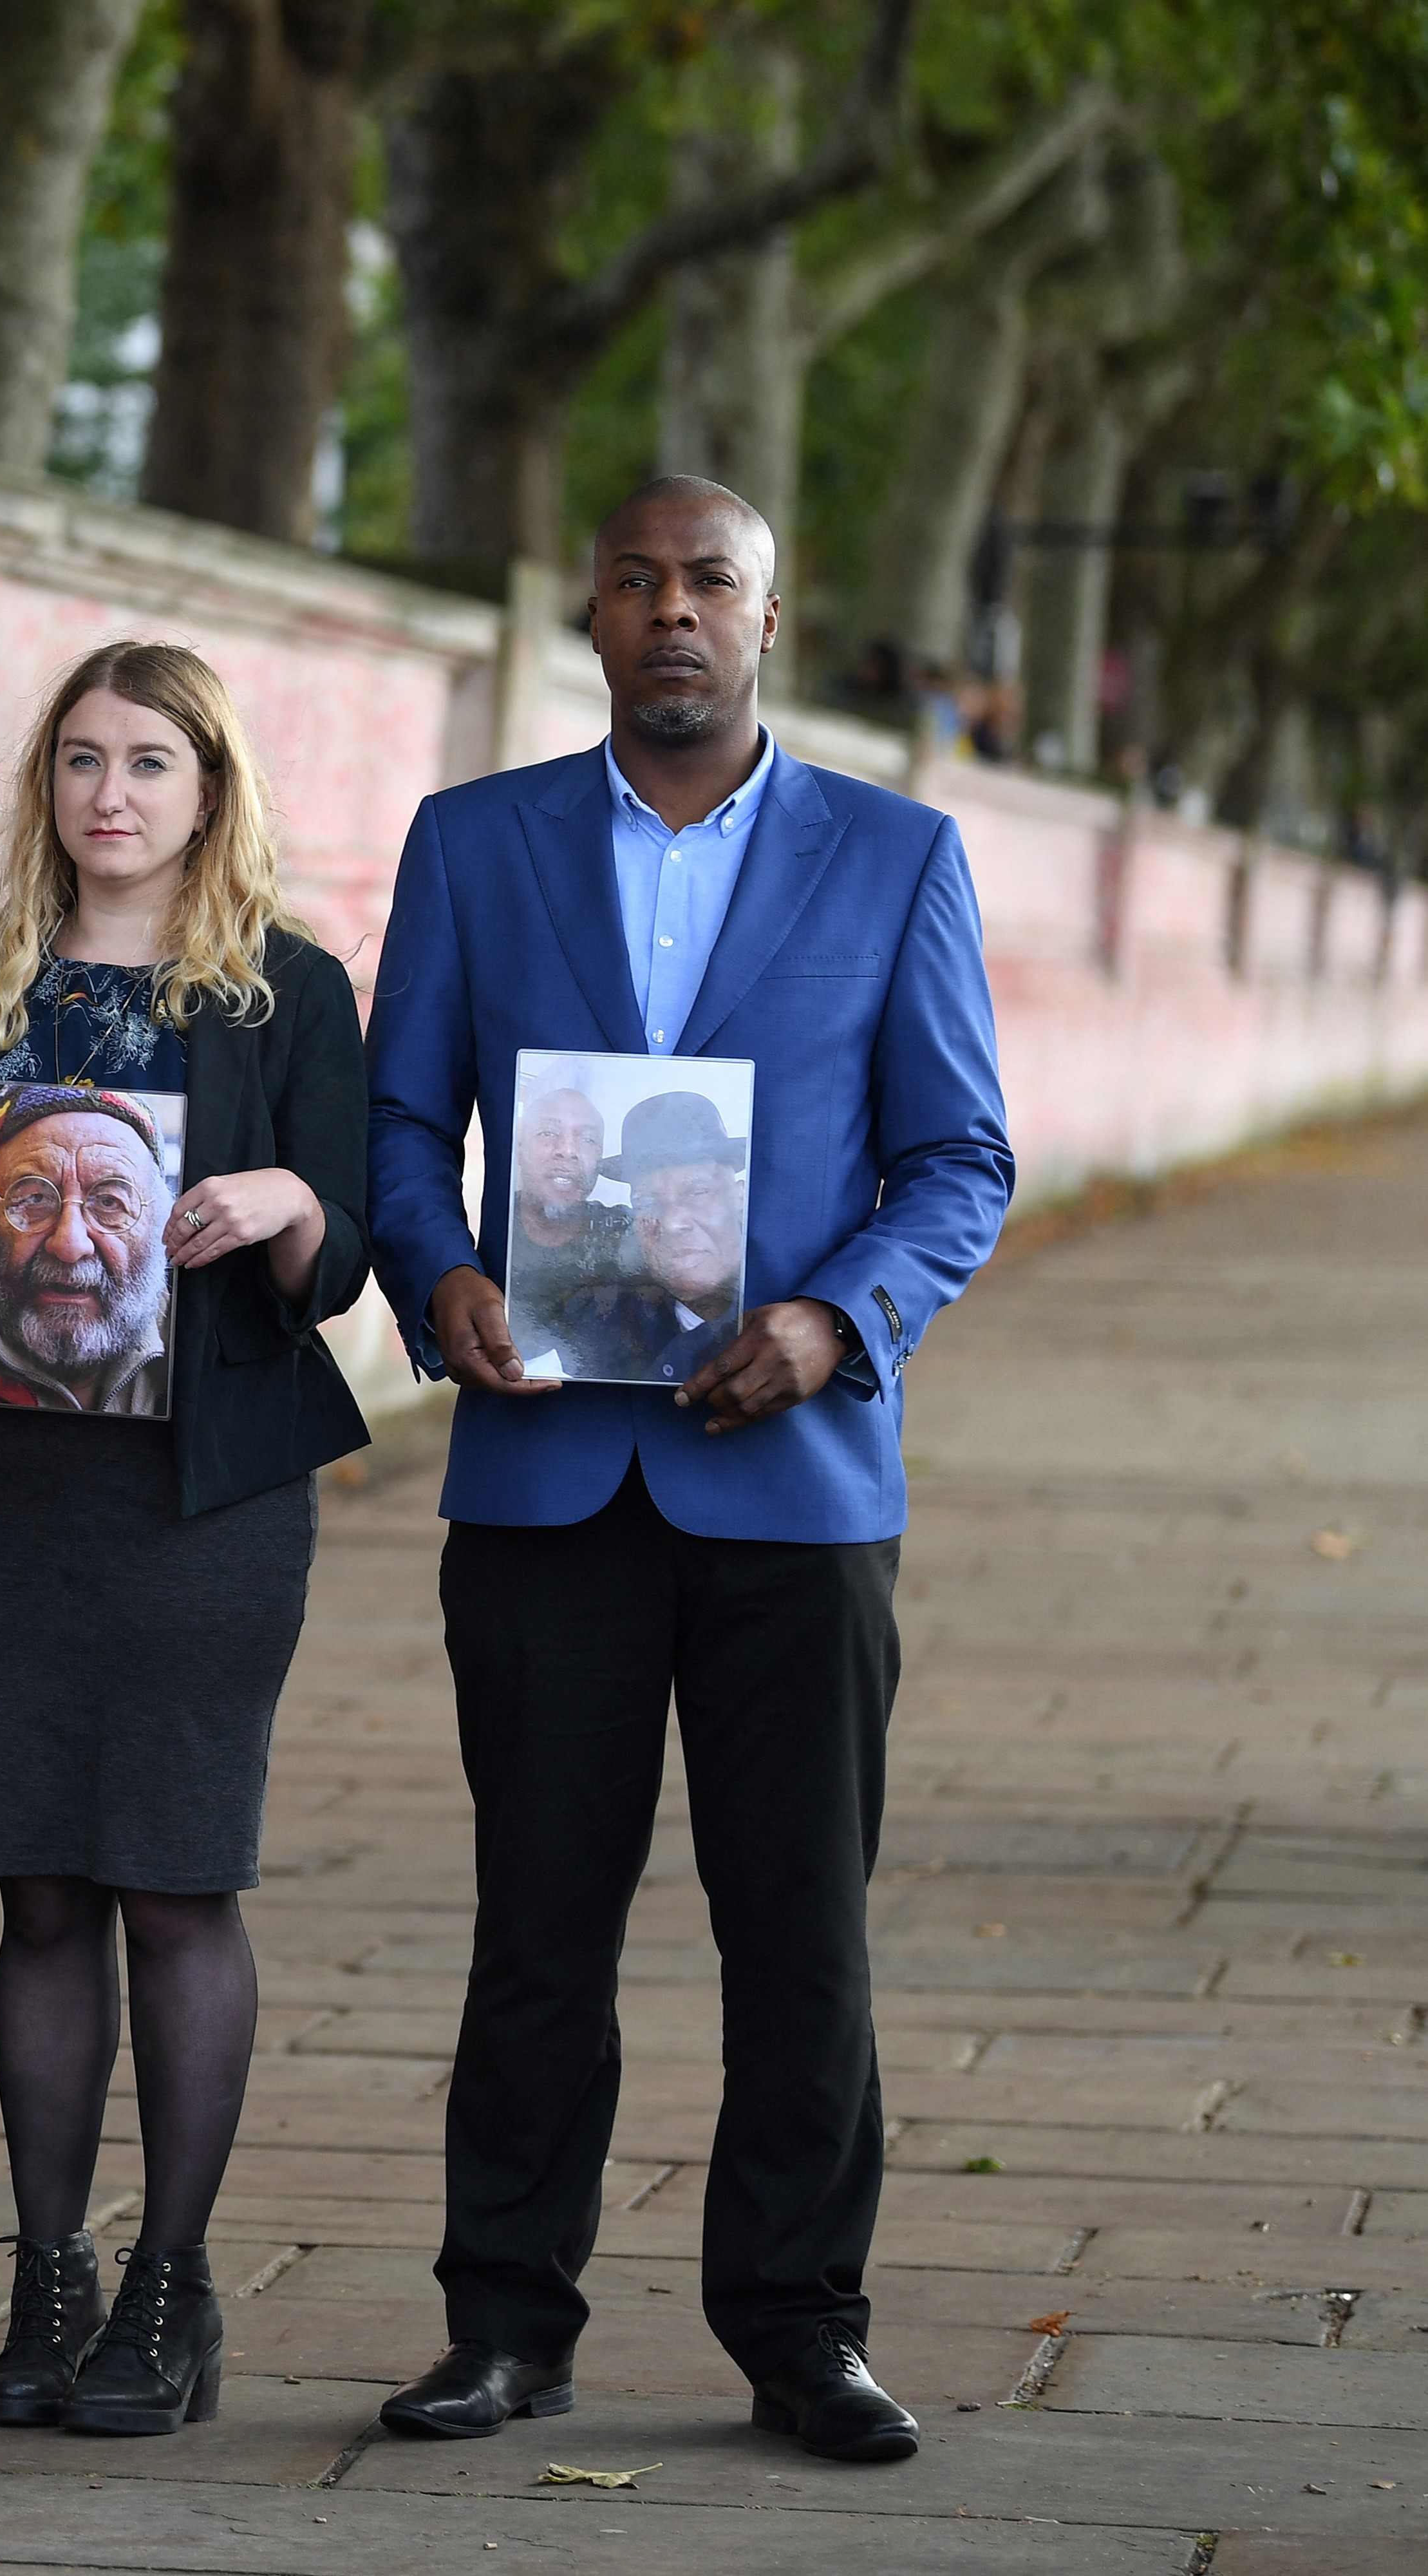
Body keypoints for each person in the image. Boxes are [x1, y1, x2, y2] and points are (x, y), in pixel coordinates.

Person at [364, 477, 1013, 2467]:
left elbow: (957, 1163)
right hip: (549, 1474)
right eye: (637, 581)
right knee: (535, 1921)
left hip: (793, 1482)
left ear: (770, 619)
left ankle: (804, 2328)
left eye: (708, 582)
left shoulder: (896, 857)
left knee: (800, 1926)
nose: (672, 611)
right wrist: (445, 1269)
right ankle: (505, 2320)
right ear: (590, 615)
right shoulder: (477, 845)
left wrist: (832, 1323)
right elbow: (400, 1118)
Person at [0, 640, 369, 2438]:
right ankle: (45, 2272)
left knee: (174, 1881)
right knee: (39, 1889)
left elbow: (343, 1257)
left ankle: (168, 2284)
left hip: (200, 1504)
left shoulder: (287, 997)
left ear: (206, 791)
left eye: (148, 762)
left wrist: (289, 1200)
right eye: (80, 760)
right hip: (5, 1499)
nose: (109, 794)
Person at [0, 1083, 180, 1415]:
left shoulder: (199, 1338)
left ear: (161, 1221)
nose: (70, 1245)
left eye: (109, 1202)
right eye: (33, 1199)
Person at [558, 1093, 750, 1384]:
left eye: (697, 1192)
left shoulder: (799, 1315)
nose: (672, 1222)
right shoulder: (601, 1325)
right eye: (646, 1201)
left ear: (739, 1197)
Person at [495, 1080, 626, 1368]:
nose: (567, 1151)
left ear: (600, 1157)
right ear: (520, 1146)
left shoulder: (623, 1232)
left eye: (588, 1140)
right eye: (548, 1133)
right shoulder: (491, 1231)